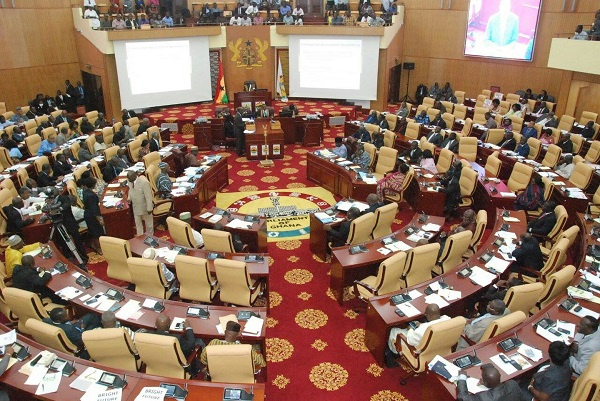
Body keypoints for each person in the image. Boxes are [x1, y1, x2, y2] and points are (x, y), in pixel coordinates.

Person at [200, 321, 265, 374]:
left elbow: (203, 360)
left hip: (217, 378)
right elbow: (261, 362)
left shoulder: (213, 344)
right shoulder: (246, 349)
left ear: (225, 332)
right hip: (241, 379)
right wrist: (258, 353)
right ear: (238, 335)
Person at [456, 364, 522, 401]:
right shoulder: (513, 384)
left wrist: (462, 378)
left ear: (485, 383)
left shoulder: (483, 398)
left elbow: (462, 397)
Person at [82, 176, 104, 254]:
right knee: (97, 233)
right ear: (93, 185)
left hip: (87, 214)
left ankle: (94, 245)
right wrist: (99, 219)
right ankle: (98, 248)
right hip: (92, 216)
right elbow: (94, 209)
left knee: (93, 232)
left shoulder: (85, 191)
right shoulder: (91, 196)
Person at [127, 171, 154, 236]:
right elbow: (130, 190)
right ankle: (140, 238)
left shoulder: (144, 182)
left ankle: (150, 237)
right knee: (138, 224)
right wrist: (129, 198)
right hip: (135, 206)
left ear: (135, 176)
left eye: (130, 178)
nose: (129, 180)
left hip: (144, 206)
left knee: (149, 224)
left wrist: (149, 208)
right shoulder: (129, 180)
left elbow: (148, 196)